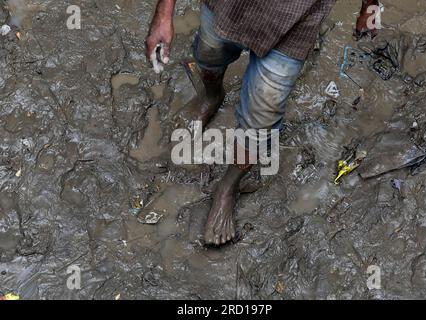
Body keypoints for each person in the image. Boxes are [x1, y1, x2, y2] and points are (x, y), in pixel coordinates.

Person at [146, 0, 380, 246]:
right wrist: (164, 11)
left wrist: (370, 6)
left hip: (296, 19)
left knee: (263, 112)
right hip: (227, 6)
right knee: (208, 52)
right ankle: (211, 94)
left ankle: (228, 186)